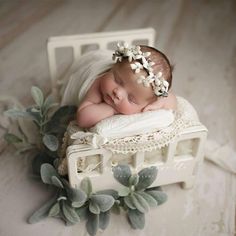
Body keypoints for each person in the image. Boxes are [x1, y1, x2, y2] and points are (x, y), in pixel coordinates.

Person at [77, 43, 177, 128]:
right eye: (118, 81)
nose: (118, 93)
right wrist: (111, 109)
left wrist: (159, 103)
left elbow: (171, 101)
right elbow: (82, 119)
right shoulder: (99, 82)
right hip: (89, 65)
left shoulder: (150, 97)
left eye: (131, 99)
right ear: (113, 67)